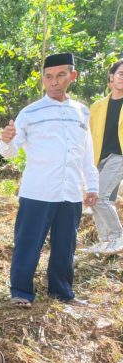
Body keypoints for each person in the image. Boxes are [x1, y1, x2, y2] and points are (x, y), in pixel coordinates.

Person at [0, 53, 99, 307]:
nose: (54, 82)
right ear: (43, 79)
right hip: (38, 191)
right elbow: (10, 152)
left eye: (60, 75)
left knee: (66, 244)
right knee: (28, 242)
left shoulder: (81, 112)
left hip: (71, 191)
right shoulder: (30, 113)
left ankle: (62, 291)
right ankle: (21, 292)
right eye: (48, 76)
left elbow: (87, 153)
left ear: (72, 76)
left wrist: (92, 184)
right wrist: (6, 140)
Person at [88, 59, 123, 255]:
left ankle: (118, 236)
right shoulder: (98, 106)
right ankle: (106, 241)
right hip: (99, 157)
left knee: (100, 196)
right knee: (94, 198)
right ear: (112, 77)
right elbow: (88, 134)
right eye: (121, 74)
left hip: (120, 156)